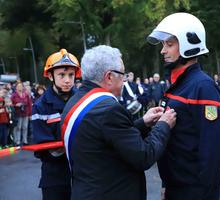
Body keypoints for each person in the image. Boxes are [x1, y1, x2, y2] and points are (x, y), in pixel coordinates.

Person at [61, 45, 176, 200]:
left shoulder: (76, 100)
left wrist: (143, 122)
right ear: (109, 77)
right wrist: (163, 125)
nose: (124, 80)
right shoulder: (109, 110)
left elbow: (106, 138)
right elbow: (144, 156)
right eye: (123, 75)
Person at [147, 12, 220, 199]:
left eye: (169, 44)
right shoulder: (179, 85)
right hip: (176, 188)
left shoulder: (202, 86)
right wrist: (167, 183)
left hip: (194, 191)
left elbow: (214, 149)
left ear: (189, 44)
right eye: (162, 45)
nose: (163, 51)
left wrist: (206, 193)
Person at [32, 49, 81, 200]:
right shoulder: (40, 106)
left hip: (82, 176)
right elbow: (43, 148)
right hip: (55, 178)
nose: (67, 80)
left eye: (71, 75)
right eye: (62, 75)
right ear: (50, 75)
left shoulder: (82, 100)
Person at [11, 81, 32, 146]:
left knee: (25, 127)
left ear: (23, 87)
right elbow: (10, 104)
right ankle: (17, 141)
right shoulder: (14, 95)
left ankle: (25, 140)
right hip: (18, 113)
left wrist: (30, 114)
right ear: (16, 87)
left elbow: (29, 104)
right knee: (18, 127)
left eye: (21, 86)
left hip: (25, 112)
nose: (20, 87)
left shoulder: (25, 94)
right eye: (18, 86)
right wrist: (16, 105)